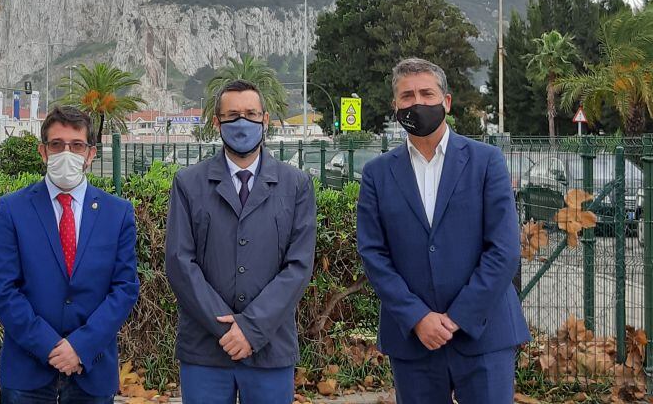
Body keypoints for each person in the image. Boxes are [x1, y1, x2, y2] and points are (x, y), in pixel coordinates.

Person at [356, 58, 530, 403]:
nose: (417, 103)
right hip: (413, 340)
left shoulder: (487, 161)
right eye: (406, 96)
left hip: (484, 333)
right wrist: (418, 317)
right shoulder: (377, 174)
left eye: (426, 93)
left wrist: (457, 318)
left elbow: (504, 249)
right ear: (395, 106)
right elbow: (373, 254)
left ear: (446, 102)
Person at [165, 79, 316, 404]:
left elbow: (298, 266)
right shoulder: (188, 183)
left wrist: (252, 328)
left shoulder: (296, 185)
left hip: (271, 348)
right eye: (232, 115)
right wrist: (227, 330)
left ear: (265, 120)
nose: (242, 122)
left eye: (251, 113)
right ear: (217, 122)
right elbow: (180, 263)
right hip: (206, 350)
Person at [0, 105, 139, 404]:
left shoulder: (117, 213)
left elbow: (124, 289)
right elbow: (2, 288)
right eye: (57, 145)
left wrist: (81, 347)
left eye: (77, 145)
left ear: (91, 154)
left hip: (91, 369)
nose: (66, 153)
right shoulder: (13, 209)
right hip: (27, 371)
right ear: (43, 152)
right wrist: (48, 345)